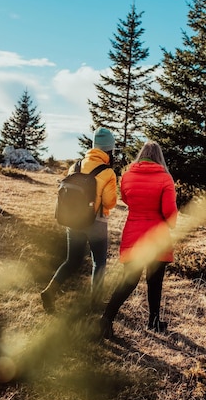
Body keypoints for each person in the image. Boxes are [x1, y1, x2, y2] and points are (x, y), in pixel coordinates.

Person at [99, 141, 178, 338]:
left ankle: (106, 318)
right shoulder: (165, 178)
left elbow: (126, 199)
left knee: (129, 280)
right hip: (156, 237)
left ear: (141, 155)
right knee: (155, 282)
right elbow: (169, 211)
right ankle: (153, 322)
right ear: (159, 157)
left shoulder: (127, 176)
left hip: (133, 234)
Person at [41, 127, 118, 313]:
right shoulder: (107, 172)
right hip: (96, 223)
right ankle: (95, 303)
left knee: (72, 260)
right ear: (109, 149)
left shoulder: (75, 166)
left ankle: (49, 291)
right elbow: (110, 202)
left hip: (73, 221)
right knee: (98, 262)